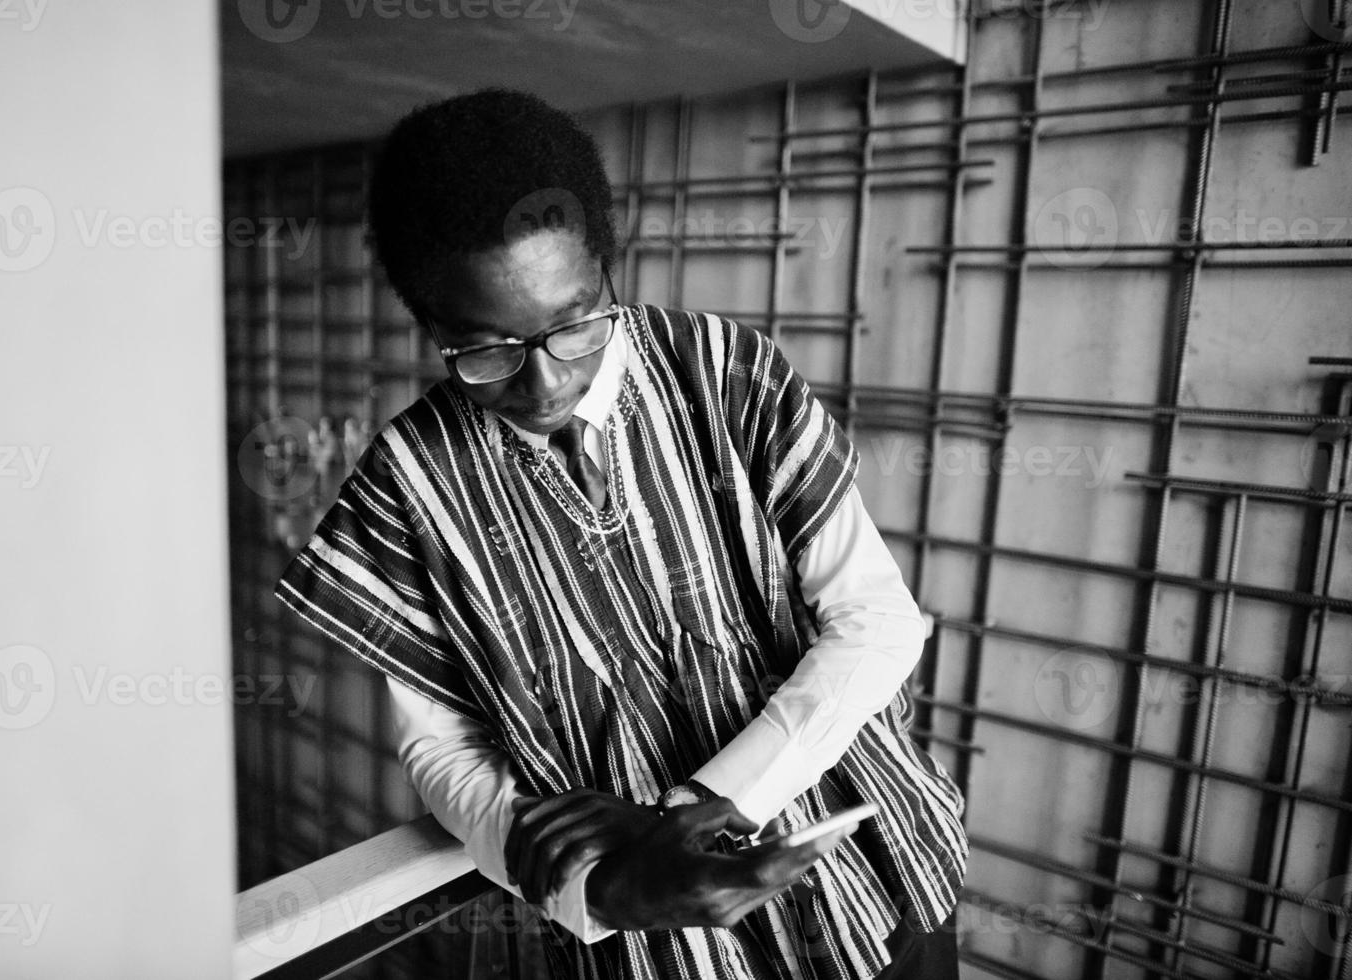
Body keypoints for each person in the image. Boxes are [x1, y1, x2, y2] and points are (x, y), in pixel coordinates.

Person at [274, 88, 968, 979]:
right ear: (429, 324)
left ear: (606, 264)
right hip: (652, 944)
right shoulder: (406, 486)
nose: (543, 382)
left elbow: (875, 623)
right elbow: (441, 750)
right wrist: (597, 890)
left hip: (871, 880)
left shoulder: (729, 376)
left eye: (574, 323)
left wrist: (707, 804)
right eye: (484, 349)